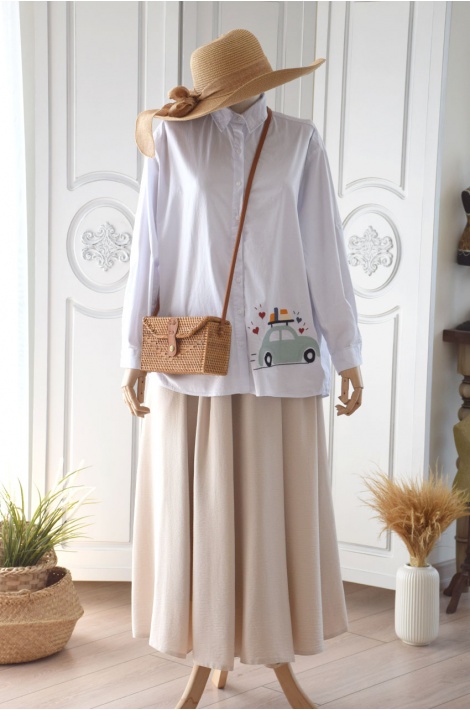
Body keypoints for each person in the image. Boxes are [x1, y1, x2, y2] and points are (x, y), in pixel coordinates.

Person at [120, 29, 363, 673]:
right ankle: (204, 641)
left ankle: (268, 638)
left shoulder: (300, 141)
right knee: (200, 510)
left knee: (269, 510)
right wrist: (134, 354)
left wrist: (346, 352)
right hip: (195, 361)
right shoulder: (173, 140)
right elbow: (148, 249)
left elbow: (326, 252)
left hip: (281, 358)